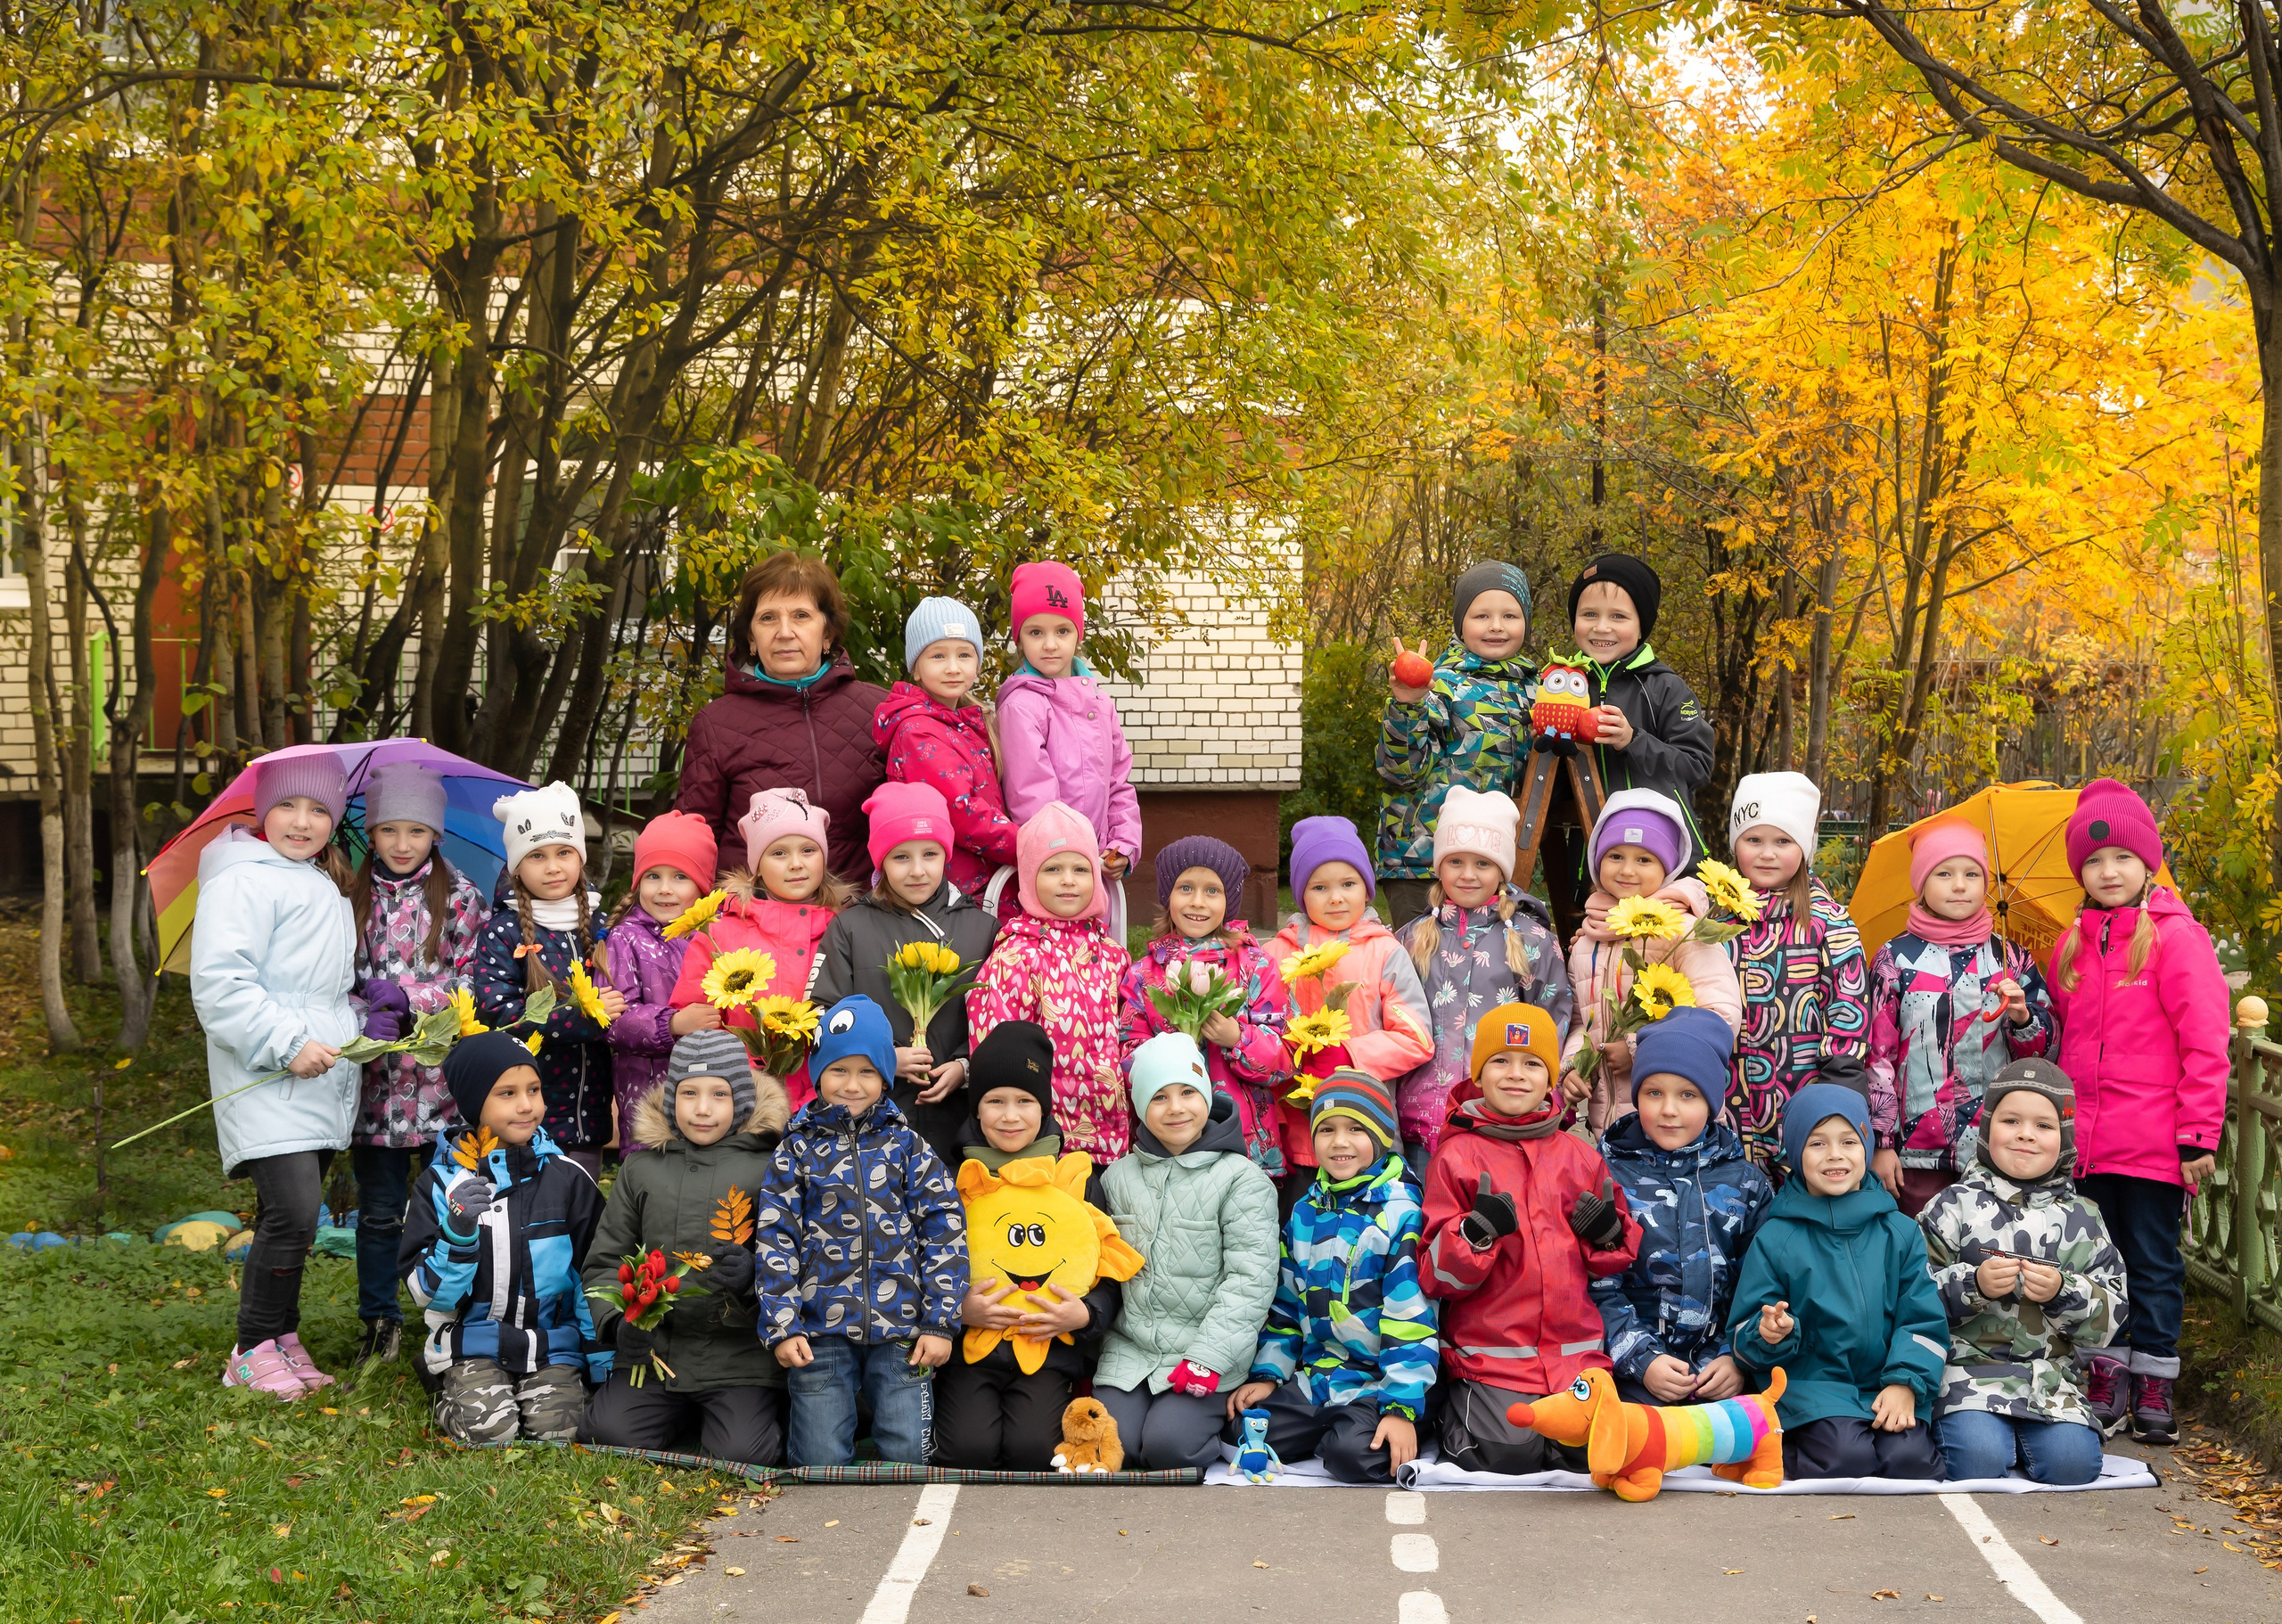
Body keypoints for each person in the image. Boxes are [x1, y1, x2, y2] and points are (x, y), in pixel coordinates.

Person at [2047, 778, 2229, 1444]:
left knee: (2152, 1262)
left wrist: (2197, 1134)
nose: (2107, 871)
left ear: (2147, 862)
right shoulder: (2072, 945)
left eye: (2121, 858)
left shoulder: (2176, 940)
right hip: (2087, 1144)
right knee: (2098, 1264)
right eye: (2093, 862)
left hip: (2152, 1143)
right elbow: (2062, 1038)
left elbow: (2206, 1040)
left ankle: (2154, 1380)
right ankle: (2106, 1374)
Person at [193, 753, 365, 1398]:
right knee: (292, 1211)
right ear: (262, 812)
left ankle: (281, 1336)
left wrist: (355, 1029)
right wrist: (287, 1042)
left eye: (319, 809)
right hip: (266, 1069)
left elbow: (321, 990)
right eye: (288, 806)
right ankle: (250, 1347)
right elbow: (220, 986)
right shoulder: (243, 881)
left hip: (317, 1073)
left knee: (294, 1212)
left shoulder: (320, 883)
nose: (303, 821)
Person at [1419, 1002, 1641, 1475]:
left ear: (1551, 1077)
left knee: (1593, 1451)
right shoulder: (1456, 1156)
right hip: (1494, 1357)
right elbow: (1435, 1276)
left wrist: (1606, 1235)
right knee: (1509, 1453)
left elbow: (1617, 1255)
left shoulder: (1578, 1155)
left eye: (1532, 1063)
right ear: (1478, 1074)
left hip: (1572, 1355)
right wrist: (1473, 1236)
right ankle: (1454, 1410)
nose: (1516, 1074)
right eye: (1500, 1061)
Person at [753, 996, 965, 1467]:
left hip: (903, 1331)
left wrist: (940, 1321)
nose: (852, 1085)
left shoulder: (909, 1147)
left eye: (867, 1072)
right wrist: (783, 1325)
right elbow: (775, 1240)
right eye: (839, 1070)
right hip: (817, 1330)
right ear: (817, 1073)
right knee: (818, 1458)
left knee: (908, 1455)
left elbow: (944, 1231)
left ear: (887, 1077)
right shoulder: (796, 1151)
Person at [579, 1031, 792, 1464]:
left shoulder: (772, 1165)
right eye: (689, 1093)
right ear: (672, 1097)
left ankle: (758, 1414)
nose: (702, 1109)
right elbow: (604, 1260)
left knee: (740, 1454)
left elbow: (796, 1259)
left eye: (719, 1094)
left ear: (744, 1101)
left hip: (739, 1357)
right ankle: (675, 1414)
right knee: (606, 1435)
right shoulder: (641, 1168)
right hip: (656, 1354)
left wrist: (755, 1279)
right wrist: (618, 1323)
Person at [1726, 1071, 1948, 1480]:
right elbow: (1743, 1332)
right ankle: (1772, 1445)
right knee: (1847, 1460)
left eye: (1848, 1141)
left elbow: (1922, 1320)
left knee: (1911, 1463)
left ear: (1866, 1148)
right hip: (1813, 1389)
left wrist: (1905, 1384)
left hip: (1886, 1382)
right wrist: (1770, 1333)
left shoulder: (1898, 1231)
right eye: (1817, 1143)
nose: (1835, 1155)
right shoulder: (1777, 1237)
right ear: (1794, 1154)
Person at [1223, 1072, 1438, 1483]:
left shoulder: (1401, 1212)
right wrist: (1270, 1374)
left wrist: (1400, 1408)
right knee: (1243, 1430)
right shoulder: (1305, 1211)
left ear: (1381, 1135)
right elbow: (1285, 1305)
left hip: (1378, 1382)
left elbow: (1411, 1320)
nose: (1339, 1142)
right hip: (1320, 1378)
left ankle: (1406, 1421)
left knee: (1352, 1457)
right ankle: (1335, 1424)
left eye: (1356, 1129)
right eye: (1326, 1130)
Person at [1919, 1060, 2127, 1483]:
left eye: (2044, 1126)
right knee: (1977, 1461)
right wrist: (1972, 1284)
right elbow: (1910, 1296)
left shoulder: (2084, 1219)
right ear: (1987, 1130)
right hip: (1966, 1377)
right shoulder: (1952, 1205)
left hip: (2050, 1382)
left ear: (2064, 1139)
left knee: (2074, 1467)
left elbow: (2112, 1319)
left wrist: (2063, 1291)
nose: (2026, 1135)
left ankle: (2022, 1442)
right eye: (2011, 1120)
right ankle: (1983, 1438)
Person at [400, 1031, 610, 1445]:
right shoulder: (440, 1184)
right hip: (472, 1343)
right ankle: (447, 1387)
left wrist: (602, 1362)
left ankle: (539, 1392)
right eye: (507, 1093)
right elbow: (428, 1295)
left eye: (534, 1089)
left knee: (559, 1433)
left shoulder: (569, 1179)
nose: (527, 1105)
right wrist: (457, 1233)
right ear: (475, 1103)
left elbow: (595, 1275)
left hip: (551, 1345)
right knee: (491, 1433)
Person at [933, 1021, 1125, 1470]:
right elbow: (926, 1256)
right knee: (968, 1451)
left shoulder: (1075, 1180)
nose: (1010, 1116)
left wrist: (1087, 1314)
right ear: (975, 1110)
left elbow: (1106, 1266)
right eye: (994, 1101)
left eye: (1025, 1102)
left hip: (1049, 1351)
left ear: (1045, 1108)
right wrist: (956, 1310)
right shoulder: (951, 1176)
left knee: (1032, 1452)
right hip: (971, 1353)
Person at [348, 760, 489, 1364]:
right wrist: (360, 1013)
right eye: (388, 831)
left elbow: (473, 981)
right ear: (371, 835)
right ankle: (379, 1321)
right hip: (372, 1091)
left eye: (416, 831)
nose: (402, 844)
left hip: (440, 1090)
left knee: (448, 1208)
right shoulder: (347, 898)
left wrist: (411, 998)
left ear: (435, 834)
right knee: (379, 1214)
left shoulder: (459, 898)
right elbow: (326, 977)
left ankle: (451, 1315)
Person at [1094, 1033, 1281, 1471]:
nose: (1175, 1108)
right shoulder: (1117, 1178)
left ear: (1206, 1097)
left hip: (1206, 1353)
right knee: (1111, 1447)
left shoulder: (1242, 1178)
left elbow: (1249, 1281)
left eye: (1187, 1093)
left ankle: (1230, 1428)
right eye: (1158, 1097)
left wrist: (1209, 1356)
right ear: (1140, 1106)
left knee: (1168, 1450)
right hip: (1132, 1351)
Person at [1867, 819, 2056, 1217]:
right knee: (1919, 1258)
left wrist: (2023, 1018)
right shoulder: (1895, 959)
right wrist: (1882, 1142)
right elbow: (1876, 1056)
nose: (1959, 885)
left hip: (1996, 1147)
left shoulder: (2011, 959)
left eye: (1972, 874)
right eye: (1944, 873)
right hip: (1915, 1152)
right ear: (1921, 882)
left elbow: (2045, 1056)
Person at [808, 781, 1001, 1169]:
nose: (917, 871)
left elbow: (996, 1017)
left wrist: (965, 1067)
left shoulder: (983, 929)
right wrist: (882, 1060)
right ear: (880, 861)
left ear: (945, 856)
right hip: (870, 1114)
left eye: (930, 854)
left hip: (957, 1118)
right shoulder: (850, 928)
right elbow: (821, 1017)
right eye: (900, 857)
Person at [1592, 1006, 1772, 1407]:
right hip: (1633, 1373)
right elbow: (1594, 1284)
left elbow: (1763, 1286)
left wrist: (1736, 1357)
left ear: (1713, 1101)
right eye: (1654, 1092)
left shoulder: (1746, 1184)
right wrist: (1641, 1360)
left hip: (1720, 1377)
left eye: (1687, 1095)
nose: (1669, 1109)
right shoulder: (1604, 1176)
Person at [676, 551, 887, 881]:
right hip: (755, 920)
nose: (785, 632)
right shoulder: (716, 725)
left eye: (801, 615)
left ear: (827, 634)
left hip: (862, 918)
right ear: (751, 639)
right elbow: (690, 845)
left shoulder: (881, 712)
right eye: (768, 618)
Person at [1392, 786, 1571, 1169]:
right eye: (1455, 861)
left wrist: (1547, 1095)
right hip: (1423, 1119)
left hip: (1502, 1119)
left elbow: (1553, 1021)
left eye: (1483, 864)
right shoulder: (1410, 939)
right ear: (1439, 865)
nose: (1468, 875)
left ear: (1502, 870)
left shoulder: (1531, 940)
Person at [1539, 554, 1713, 930]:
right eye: (1589, 615)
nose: (1602, 627)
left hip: (1665, 855)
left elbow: (1698, 765)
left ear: (1641, 625)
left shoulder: (1665, 687)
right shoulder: (1564, 686)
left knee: (1664, 950)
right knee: (1598, 951)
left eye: (1618, 616)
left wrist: (1633, 740)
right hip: (1600, 856)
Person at [1558, 789, 1743, 1136]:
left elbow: (1719, 1016)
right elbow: (1583, 1020)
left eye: (1644, 859)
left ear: (1667, 867)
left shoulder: (1684, 932)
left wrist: (1639, 1049)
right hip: (1609, 1125)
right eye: (1615, 855)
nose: (1627, 870)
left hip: (1675, 1120)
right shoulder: (1587, 940)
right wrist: (1572, 1067)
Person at [469, 783, 628, 1176]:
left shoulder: (605, 927)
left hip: (590, 1115)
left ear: (580, 859)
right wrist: (583, 1019)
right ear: (517, 867)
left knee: (582, 1216)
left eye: (563, 853)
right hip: (525, 1118)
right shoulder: (502, 932)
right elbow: (499, 1015)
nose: (553, 867)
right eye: (536, 856)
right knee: (532, 1219)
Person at [1266, 816, 1433, 1183]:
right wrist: (1292, 1053)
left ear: (1367, 888)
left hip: (1366, 1130)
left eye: (1348, 883)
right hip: (1296, 1134)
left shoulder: (1386, 952)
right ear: (1300, 893)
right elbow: (1262, 1030)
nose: (1336, 897)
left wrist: (1351, 1054)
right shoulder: (1276, 954)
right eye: (1320, 887)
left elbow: (1417, 1037)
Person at [1374, 562, 1537, 931]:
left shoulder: (1537, 690)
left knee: (1479, 969)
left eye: (1510, 615)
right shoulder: (1440, 685)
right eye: (1482, 615)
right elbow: (1400, 771)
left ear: (1526, 622)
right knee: (1420, 969)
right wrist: (1409, 705)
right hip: (1421, 860)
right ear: (1460, 623)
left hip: (1487, 863)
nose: (1496, 625)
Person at [966, 802, 1134, 1161]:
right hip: (1044, 1143)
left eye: (1080, 868)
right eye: (1053, 869)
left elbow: (1130, 1036)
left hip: (1114, 1138)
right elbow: (996, 1051)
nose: (1068, 880)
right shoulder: (1016, 956)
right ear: (1029, 877)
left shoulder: (1112, 955)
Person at [1118, 835, 1293, 1177]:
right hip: (1171, 1139)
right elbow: (1129, 1057)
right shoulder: (1143, 975)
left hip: (1247, 1144)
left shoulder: (1255, 967)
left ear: (1230, 900)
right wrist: (1170, 1051)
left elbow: (1283, 1061)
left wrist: (1237, 1037)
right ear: (1167, 895)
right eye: (1185, 888)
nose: (1197, 902)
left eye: (1212, 891)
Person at [669, 787, 853, 1112]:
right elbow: (695, 1020)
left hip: (826, 1099)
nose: (796, 864)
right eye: (779, 853)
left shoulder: (844, 929)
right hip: (743, 1099)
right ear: (756, 865)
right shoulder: (720, 931)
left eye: (808, 850)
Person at [1725, 772, 1870, 1179]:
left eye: (1783, 841)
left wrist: (1835, 1108)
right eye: (1754, 839)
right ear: (1735, 843)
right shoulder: (1717, 923)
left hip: (1804, 1111)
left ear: (1804, 848)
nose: (1767, 853)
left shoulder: (1830, 923)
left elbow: (1849, 1016)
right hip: (1727, 1110)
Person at [994, 562, 1143, 935]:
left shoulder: (1098, 701)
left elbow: (1118, 783)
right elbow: (1034, 799)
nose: (1049, 643)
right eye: (1035, 631)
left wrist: (1122, 845)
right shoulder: (1022, 705)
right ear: (1019, 639)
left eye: (1062, 630)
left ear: (1077, 634)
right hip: (1055, 874)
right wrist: (1074, 860)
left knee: (1097, 974)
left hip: (1097, 869)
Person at [873, 596, 1021, 903]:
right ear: (916, 669)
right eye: (938, 656)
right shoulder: (918, 731)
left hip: (978, 882)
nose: (953, 668)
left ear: (977, 664)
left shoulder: (963, 723)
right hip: (955, 890)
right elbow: (961, 813)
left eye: (964, 655)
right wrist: (1029, 845)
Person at [603, 811, 721, 1153]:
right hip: (650, 1099)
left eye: (681, 876)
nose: (665, 889)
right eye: (653, 876)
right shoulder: (624, 939)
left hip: (713, 1095)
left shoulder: (719, 936)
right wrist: (673, 1023)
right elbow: (613, 1021)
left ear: (703, 885)